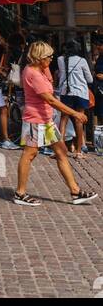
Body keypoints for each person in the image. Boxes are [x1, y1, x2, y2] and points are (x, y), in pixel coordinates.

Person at [14, 41, 98, 206]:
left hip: (46, 121)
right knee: (29, 154)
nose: (51, 59)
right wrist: (74, 113)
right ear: (39, 58)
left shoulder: (40, 70)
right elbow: (51, 99)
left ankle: (75, 191)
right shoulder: (33, 74)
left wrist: (45, 67)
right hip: (35, 120)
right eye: (48, 56)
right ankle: (20, 193)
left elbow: (51, 84)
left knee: (61, 152)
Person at [56, 39, 95, 156]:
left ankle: (60, 149)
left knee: (63, 119)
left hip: (65, 92)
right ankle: (79, 151)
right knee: (79, 121)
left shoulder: (60, 59)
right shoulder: (81, 60)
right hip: (80, 93)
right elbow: (90, 79)